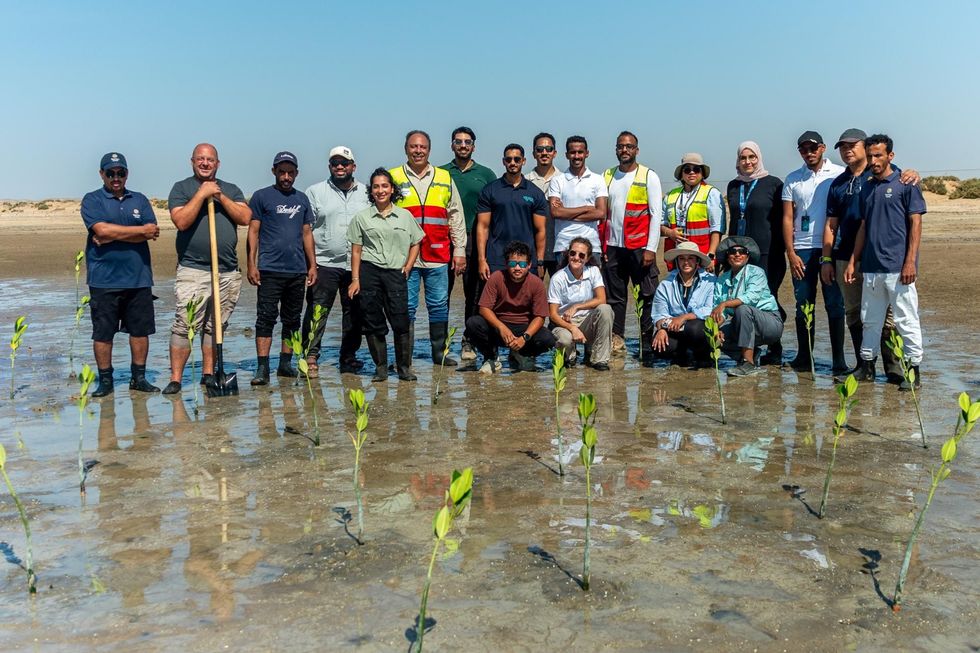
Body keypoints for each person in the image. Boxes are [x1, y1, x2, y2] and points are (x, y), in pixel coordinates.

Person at [822, 129, 920, 381]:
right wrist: (828, 259)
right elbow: (833, 224)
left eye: (853, 145)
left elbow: (906, 187)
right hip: (849, 255)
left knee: (893, 317)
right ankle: (864, 366)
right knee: (859, 313)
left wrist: (914, 173)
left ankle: (894, 367)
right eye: (842, 147)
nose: (847, 150)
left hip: (887, 258)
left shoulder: (886, 174)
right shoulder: (839, 183)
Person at [162, 144, 251, 395]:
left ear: (217, 163)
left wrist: (219, 196)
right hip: (193, 270)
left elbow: (245, 217)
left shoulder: (230, 189)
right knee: (185, 323)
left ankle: (209, 374)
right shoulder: (182, 188)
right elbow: (181, 221)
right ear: (192, 161)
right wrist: (201, 195)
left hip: (226, 271)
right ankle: (176, 378)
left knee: (215, 326)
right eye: (200, 159)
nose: (205, 163)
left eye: (210, 159)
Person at [844, 135, 926, 390]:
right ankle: (867, 366)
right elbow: (863, 227)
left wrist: (910, 262)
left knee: (905, 320)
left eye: (879, 155)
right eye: (870, 156)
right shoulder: (866, 187)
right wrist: (853, 261)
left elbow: (916, 223)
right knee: (870, 319)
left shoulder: (906, 183)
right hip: (871, 267)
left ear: (890, 156)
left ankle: (913, 372)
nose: (874, 160)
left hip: (898, 269)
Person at [80, 152, 161, 397]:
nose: (116, 178)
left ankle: (139, 378)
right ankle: (105, 380)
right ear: (102, 174)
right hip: (104, 279)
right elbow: (100, 230)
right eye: (111, 173)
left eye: (121, 173)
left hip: (138, 278)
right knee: (103, 332)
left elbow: (151, 231)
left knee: (140, 331)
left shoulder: (140, 200)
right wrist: (136, 231)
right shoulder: (92, 199)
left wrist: (112, 233)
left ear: (127, 173)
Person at [389, 130, 466, 367]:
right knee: (406, 307)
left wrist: (459, 250)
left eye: (422, 147)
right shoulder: (394, 177)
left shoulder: (443, 177)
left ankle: (439, 354)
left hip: (438, 254)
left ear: (429, 150)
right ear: (406, 149)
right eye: (413, 146)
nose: (418, 151)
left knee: (438, 305)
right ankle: (405, 358)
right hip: (405, 258)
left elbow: (456, 215)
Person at [347, 168, 425, 382]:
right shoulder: (361, 218)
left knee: (401, 322)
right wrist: (355, 280)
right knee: (373, 322)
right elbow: (356, 250)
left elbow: (417, 241)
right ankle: (381, 368)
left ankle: (404, 368)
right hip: (369, 272)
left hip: (396, 273)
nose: (380, 190)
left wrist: (409, 266)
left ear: (392, 189)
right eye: (376, 186)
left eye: (384, 186)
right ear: (371, 191)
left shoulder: (405, 216)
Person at [246, 151, 317, 386]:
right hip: (269, 269)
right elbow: (253, 231)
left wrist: (312, 265)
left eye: (290, 172)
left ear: (296, 173)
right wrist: (251, 263)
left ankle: (285, 363)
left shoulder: (302, 199)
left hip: (296, 270)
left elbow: (307, 233)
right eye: (282, 172)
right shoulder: (261, 196)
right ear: (274, 171)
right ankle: (262, 367)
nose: (286, 177)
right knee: (265, 318)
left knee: (292, 319)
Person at [782, 131, 847, 374]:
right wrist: (790, 251)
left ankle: (838, 360)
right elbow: (788, 217)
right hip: (802, 249)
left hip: (831, 246)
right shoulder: (793, 178)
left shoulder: (840, 173)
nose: (809, 153)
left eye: (813, 148)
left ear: (822, 148)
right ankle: (803, 356)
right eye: (803, 149)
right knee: (803, 304)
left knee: (835, 303)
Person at [302, 145, 369, 377]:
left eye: (344, 163)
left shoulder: (367, 192)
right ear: (329, 166)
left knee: (354, 314)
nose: (340, 167)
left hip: (356, 265)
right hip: (325, 262)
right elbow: (306, 230)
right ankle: (310, 356)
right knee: (317, 311)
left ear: (353, 166)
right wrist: (310, 264)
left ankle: (348, 357)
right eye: (335, 163)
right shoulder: (315, 192)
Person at [602, 131, 663, 355]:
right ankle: (617, 338)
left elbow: (656, 215)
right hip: (613, 247)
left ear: (636, 149)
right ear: (616, 149)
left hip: (639, 247)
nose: (624, 150)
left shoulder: (648, 176)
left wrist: (651, 248)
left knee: (646, 294)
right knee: (615, 296)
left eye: (629, 146)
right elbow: (603, 213)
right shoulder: (607, 175)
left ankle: (647, 339)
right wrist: (603, 246)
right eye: (620, 146)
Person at [725, 142, 786, 365]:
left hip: (768, 253)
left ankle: (775, 347)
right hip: (738, 254)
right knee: (738, 297)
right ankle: (748, 348)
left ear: (759, 158)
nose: (748, 162)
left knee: (767, 298)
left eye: (752, 157)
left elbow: (783, 220)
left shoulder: (774, 184)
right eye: (743, 158)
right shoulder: (733, 186)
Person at [440, 127, 497, 364]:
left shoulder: (485, 173)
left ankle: (468, 340)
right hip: (445, 238)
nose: (463, 145)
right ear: (452, 145)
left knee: (473, 293)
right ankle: (440, 342)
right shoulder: (441, 173)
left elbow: (496, 207)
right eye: (458, 142)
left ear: (474, 146)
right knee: (441, 292)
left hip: (476, 238)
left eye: (467, 142)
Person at [465, 240, 556, 373]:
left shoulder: (537, 283)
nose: (517, 268)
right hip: (498, 326)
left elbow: (540, 317)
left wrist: (525, 337)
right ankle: (491, 357)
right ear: (507, 264)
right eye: (513, 263)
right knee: (473, 323)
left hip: (523, 327)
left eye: (522, 264)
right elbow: (484, 309)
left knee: (548, 339)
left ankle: (521, 354)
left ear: (529, 265)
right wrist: (501, 327)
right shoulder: (496, 277)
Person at [475, 143, 547, 293]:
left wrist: (539, 262)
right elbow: (483, 227)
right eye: (508, 159)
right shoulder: (490, 190)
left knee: (525, 302)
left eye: (516, 159)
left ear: (524, 161)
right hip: (496, 258)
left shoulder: (535, 193)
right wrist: (482, 260)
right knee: (494, 303)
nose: (512, 163)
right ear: (503, 161)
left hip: (526, 260)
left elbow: (540, 230)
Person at [711, 236, 783, 377]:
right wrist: (716, 328)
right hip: (743, 323)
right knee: (710, 334)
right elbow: (720, 312)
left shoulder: (756, 272)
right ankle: (751, 353)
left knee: (743, 309)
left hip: (770, 322)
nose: (737, 254)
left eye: (742, 251)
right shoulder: (722, 279)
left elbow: (750, 298)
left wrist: (725, 304)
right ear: (727, 256)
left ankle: (748, 363)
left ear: (748, 256)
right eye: (733, 251)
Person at [548, 237, 613, 370]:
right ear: (568, 254)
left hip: (586, 321)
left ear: (587, 258)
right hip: (564, 323)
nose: (576, 257)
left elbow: (602, 299)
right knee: (565, 339)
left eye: (581, 255)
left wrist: (576, 306)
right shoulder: (558, 278)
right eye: (572, 253)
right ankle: (569, 357)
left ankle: (599, 359)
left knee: (606, 309)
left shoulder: (593, 271)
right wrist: (572, 328)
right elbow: (552, 315)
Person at [649, 241, 716, 366]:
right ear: (677, 261)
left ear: (697, 261)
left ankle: (702, 356)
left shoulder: (711, 281)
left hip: (698, 330)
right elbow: (659, 313)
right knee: (658, 345)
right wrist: (661, 329)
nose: (686, 262)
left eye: (690, 258)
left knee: (696, 329)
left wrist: (684, 317)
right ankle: (681, 355)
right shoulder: (665, 284)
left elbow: (709, 309)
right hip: (674, 329)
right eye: (682, 259)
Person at [547, 135, 608, 261]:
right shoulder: (557, 181)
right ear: (567, 155)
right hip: (564, 245)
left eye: (580, 152)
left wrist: (566, 212)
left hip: (591, 246)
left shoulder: (598, 179)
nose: (576, 156)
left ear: (587, 153)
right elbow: (555, 212)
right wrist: (587, 208)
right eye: (572, 152)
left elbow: (601, 213)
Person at [662, 153, 725, 270]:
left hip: (703, 257)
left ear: (702, 173)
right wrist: (669, 233)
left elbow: (717, 228)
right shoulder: (670, 195)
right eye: (687, 170)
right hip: (677, 258)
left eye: (696, 169)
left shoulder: (712, 193)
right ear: (681, 174)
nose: (692, 172)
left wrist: (711, 255)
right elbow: (659, 225)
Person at [526, 132, 562, 276]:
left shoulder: (565, 180)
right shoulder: (525, 182)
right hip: (532, 248)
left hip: (558, 247)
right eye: (540, 150)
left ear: (555, 153)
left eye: (549, 149)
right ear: (534, 154)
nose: (544, 153)